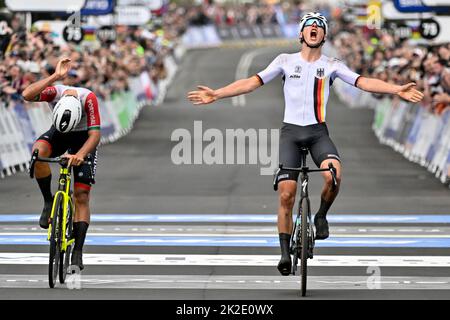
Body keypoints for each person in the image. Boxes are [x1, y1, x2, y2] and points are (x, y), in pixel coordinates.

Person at [187, 12, 424, 275]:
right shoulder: (285, 61)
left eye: (319, 27)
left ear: (324, 35)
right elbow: (251, 83)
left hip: (317, 134)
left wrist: (396, 89)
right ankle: (285, 252)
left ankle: (321, 214)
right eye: (309, 26)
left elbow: (362, 82)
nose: (314, 29)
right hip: (291, 134)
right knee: (287, 194)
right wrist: (217, 94)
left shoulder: (332, 64)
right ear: (301, 34)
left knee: (334, 174)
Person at [22, 58, 101, 271]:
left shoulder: (89, 99)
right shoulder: (55, 92)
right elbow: (27, 95)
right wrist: (54, 76)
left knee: (82, 195)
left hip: (83, 138)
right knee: (38, 153)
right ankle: (48, 202)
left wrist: (81, 155)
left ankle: (78, 250)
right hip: (60, 132)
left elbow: (95, 135)